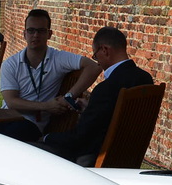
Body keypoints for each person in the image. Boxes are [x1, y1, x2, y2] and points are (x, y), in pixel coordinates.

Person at [41, 26, 154, 165]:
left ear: (105, 50)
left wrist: (46, 137)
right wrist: (91, 107)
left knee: (32, 149)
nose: (97, 61)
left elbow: (79, 138)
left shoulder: (106, 89)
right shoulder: (145, 79)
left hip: (94, 159)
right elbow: (116, 115)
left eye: (95, 55)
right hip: (127, 157)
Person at [0, 8, 101, 142]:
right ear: (24, 34)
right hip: (6, 117)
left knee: (5, 139)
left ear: (49, 34)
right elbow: (11, 101)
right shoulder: (11, 63)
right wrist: (46, 106)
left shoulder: (57, 58)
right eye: (31, 30)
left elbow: (94, 67)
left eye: (41, 31)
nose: (35, 35)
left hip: (31, 124)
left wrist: (68, 97)